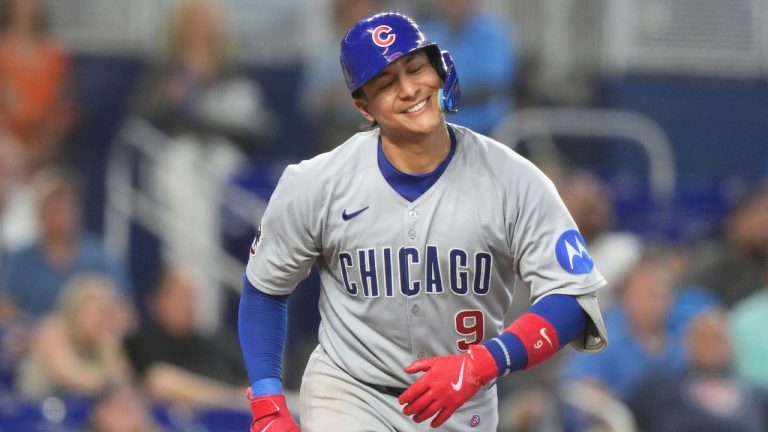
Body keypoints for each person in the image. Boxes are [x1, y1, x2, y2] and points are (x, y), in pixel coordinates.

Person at [238, 12, 608, 432]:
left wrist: (485, 361)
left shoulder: (513, 179)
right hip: (350, 392)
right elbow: (265, 287)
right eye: (386, 83)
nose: (410, 89)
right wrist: (268, 398)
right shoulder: (318, 183)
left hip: (464, 399)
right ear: (365, 106)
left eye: (416, 69)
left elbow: (572, 298)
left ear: (440, 69)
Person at [0, 167, 130, 320]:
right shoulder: (19, 259)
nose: (59, 216)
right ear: (38, 213)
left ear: (77, 211)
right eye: (52, 208)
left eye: (64, 208)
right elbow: (5, 307)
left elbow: (124, 312)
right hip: (34, 339)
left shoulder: (103, 257)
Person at [123, 264, 249, 411]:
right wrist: (229, 400)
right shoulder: (139, 343)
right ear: (157, 301)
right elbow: (157, 381)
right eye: (180, 297)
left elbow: (248, 386)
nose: (189, 305)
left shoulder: (220, 343)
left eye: (191, 297)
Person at [628, 309, 768, 432]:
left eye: (718, 339)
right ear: (687, 343)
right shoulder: (656, 390)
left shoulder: (758, 397)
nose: (712, 347)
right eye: (704, 338)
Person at [15, 273, 133, 398]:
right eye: (101, 313)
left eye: (109, 313)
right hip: (36, 410)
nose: (106, 320)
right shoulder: (52, 329)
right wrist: (110, 381)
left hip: (81, 411)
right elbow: (73, 377)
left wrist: (110, 346)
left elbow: (124, 385)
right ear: (78, 309)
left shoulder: (103, 340)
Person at [0, 0, 76, 176]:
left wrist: (43, 148)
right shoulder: (3, 51)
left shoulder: (54, 53)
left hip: (44, 146)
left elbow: (61, 105)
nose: (28, 6)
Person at [419, 0, 517, 136]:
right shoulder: (431, 32)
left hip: (486, 130)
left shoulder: (492, 34)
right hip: (438, 130)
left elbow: (489, 85)